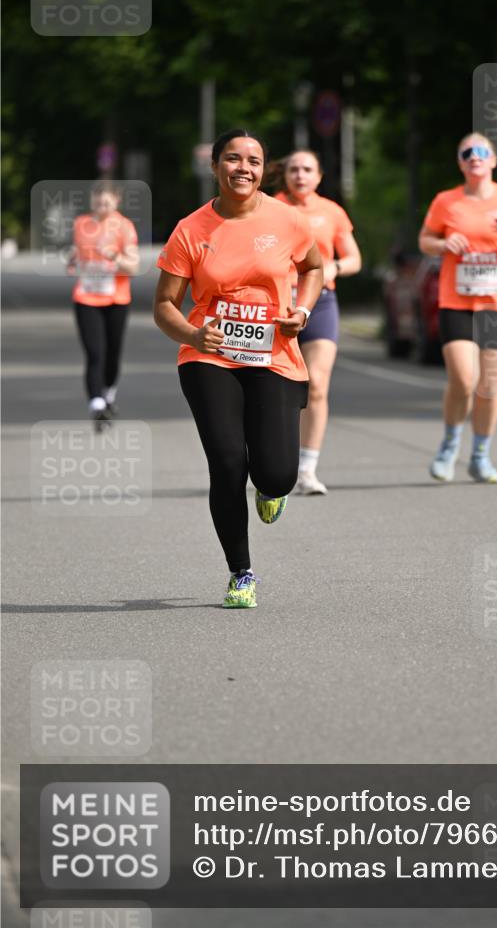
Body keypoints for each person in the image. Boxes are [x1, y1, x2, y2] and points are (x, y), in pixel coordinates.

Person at [154, 129, 323, 609]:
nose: (242, 168)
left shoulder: (287, 220)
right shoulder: (191, 229)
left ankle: (272, 489)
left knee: (277, 474)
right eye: (232, 159)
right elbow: (165, 305)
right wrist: (191, 335)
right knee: (227, 462)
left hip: (274, 355)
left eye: (252, 160)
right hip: (209, 355)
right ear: (215, 167)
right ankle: (241, 572)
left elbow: (313, 268)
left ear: (263, 169)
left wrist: (303, 312)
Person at [418, 133, 497, 483]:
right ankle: (449, 445)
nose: (475, 156)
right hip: (457, 302)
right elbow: (424, 241)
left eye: (481, 151)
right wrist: (442, 243)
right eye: (467, 152)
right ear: (460, 162)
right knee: (464, 379)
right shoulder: (446, 201)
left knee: (489, 386)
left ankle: (481, 455)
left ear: (493, 160)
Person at [273, 150, 361, 494]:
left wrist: (335, 267)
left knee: (317, 384)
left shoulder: (332, 211)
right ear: (286, 174)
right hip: (278, 306)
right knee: (278, 390)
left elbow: (354, 257)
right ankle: (274, 459)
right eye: (294, 169)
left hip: (321, 304)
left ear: (319, 176)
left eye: (307, 169)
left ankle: (307, 469)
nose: (300, 175)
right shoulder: (271, 208)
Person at [67, 181, 139, 430]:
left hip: (117, 298)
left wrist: (113, 257)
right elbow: (75, 257)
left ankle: (108, 394)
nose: (102, 205)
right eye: (98, 201)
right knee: (94, 352)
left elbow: (134, 266)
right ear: (91, 201)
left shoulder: (124, 226)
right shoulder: (80, 224)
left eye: (107, 201)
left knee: (112, 354)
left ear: (116, 201)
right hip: (86, 297)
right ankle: (96, 404)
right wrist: (73, 260)